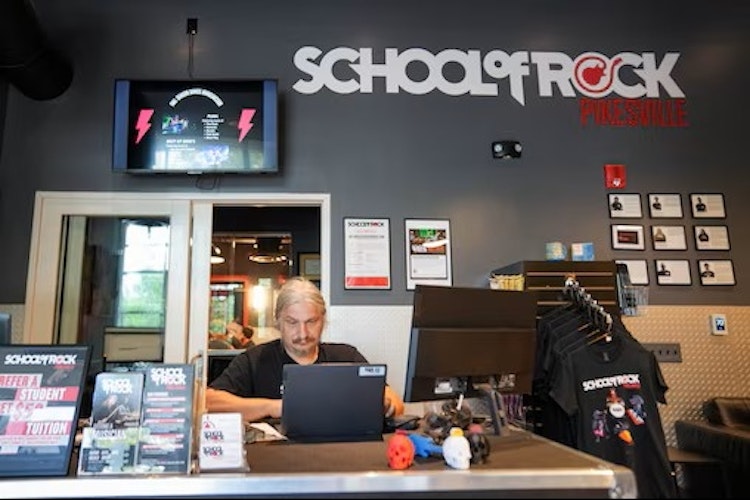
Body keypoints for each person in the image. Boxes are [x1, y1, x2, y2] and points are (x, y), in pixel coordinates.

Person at [205, 276, 405, 422]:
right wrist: (274, 407)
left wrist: (387, 405)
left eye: (311, 322)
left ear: (323, 320)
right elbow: (208, 401)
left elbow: (394, 401)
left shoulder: (346, 356)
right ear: (278, 322)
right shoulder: (254, 360)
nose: (303, 333)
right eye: (292, 322)